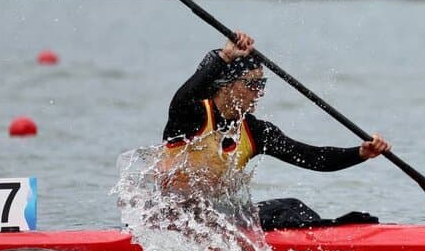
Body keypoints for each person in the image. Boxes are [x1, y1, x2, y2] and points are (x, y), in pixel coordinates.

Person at [158, 32, 391, 229]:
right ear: (226, 86)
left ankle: (334, 233)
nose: (259, 92)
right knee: (284, 214)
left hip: (220, 218)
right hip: (173, 219)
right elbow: (184, 96)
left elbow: (313, 158)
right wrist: (224, 56)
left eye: (262, 84)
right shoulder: (191, 116)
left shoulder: (255, 131)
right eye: (252, 84)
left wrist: (361, 153)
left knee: (293, 206)